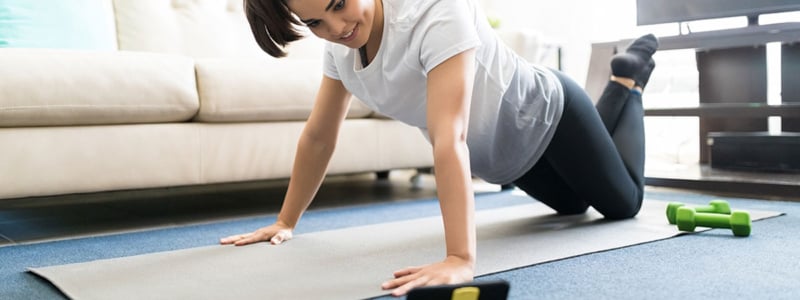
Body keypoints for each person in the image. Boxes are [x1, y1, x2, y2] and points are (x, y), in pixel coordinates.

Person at [220, 0, 659, 296]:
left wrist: (459, 259)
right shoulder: (340, 51)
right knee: (573, 207)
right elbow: (319, 136)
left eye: (339, 3)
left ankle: (627, 82)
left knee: (624, 204)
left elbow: (450, 136)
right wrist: (285, 220)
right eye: (315, 22)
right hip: (506, 159)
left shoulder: (434, 12)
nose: (337, 29)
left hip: (549, 114)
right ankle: (619, 90)